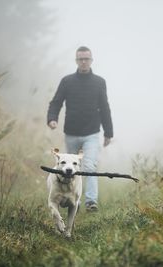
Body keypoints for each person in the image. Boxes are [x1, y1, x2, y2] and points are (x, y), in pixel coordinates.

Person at [47, 46, 113, 212]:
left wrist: (108, 132)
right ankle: (69, 198)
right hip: (71, 133)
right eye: (80, 59)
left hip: (91, 133)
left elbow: (104, 107)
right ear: (76, 61)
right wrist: (52, 119)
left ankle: (91, 202)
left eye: (87, 59)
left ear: (91, 60)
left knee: (89, 166)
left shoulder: (99, 82)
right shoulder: (67, 81)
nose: (84, 62)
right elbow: (56, 102)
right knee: (69, 168)